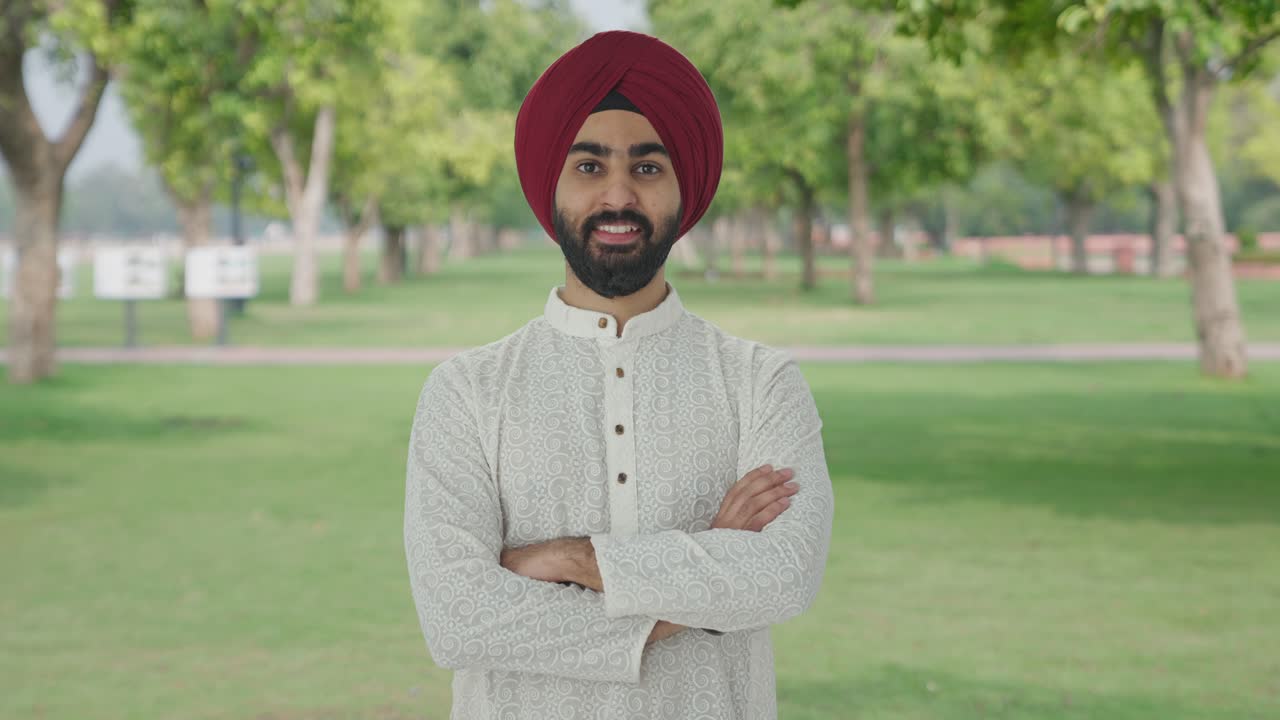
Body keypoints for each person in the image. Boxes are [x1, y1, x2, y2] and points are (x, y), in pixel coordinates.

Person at [403, 29, 834, 720]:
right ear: (551, 185)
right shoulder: (466, 392)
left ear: (683, 187)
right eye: (588, 166)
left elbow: (784, 576)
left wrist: (574, 561)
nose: (618, 196)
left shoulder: (760, 382)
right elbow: (458, 619)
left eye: (648, 167)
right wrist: (707, 572)